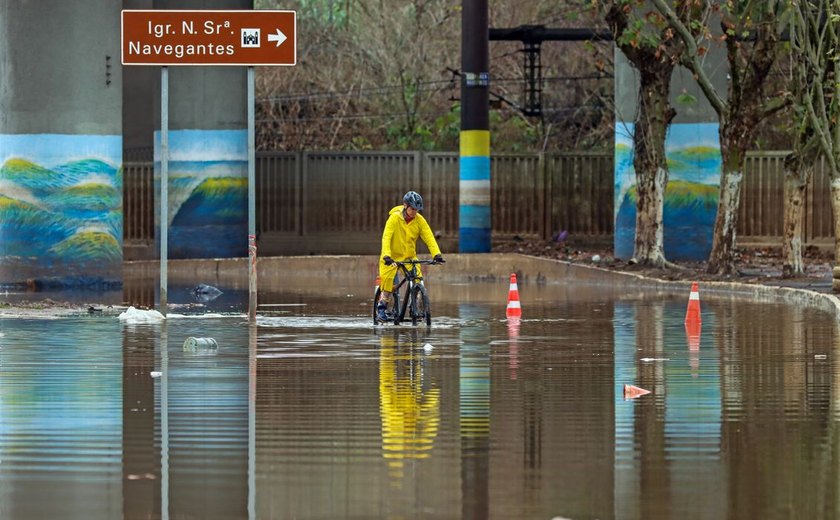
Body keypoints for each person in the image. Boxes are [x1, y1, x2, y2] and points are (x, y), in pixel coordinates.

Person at [377, 190, 445, 322]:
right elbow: (386, 237)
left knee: (419, 280)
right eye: (412, 209)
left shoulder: (419, 220)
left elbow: (429, 237)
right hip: (391, 257)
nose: (415, 212)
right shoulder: (394, 218)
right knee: (388, 283)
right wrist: (386, 255)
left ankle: (416, 307)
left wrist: (436, 254)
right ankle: (381, 308)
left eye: (417, 210)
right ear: (405, 205)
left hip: (409, 257)